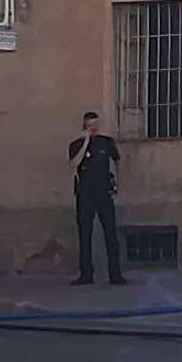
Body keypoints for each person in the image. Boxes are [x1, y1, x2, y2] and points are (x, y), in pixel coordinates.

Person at [65, 112, 124, 285]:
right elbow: (74, 165)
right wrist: (85, 142)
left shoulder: (106, 142)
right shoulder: (75, 145)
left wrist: (118, 184)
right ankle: (86, 274)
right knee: (85, 234)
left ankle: (115, 274)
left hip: (103, 193)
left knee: (111, 234)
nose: (93, 128)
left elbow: (117, 161)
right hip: (85, 194)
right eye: (90, 125)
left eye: (95, 124)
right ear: (84, 126)